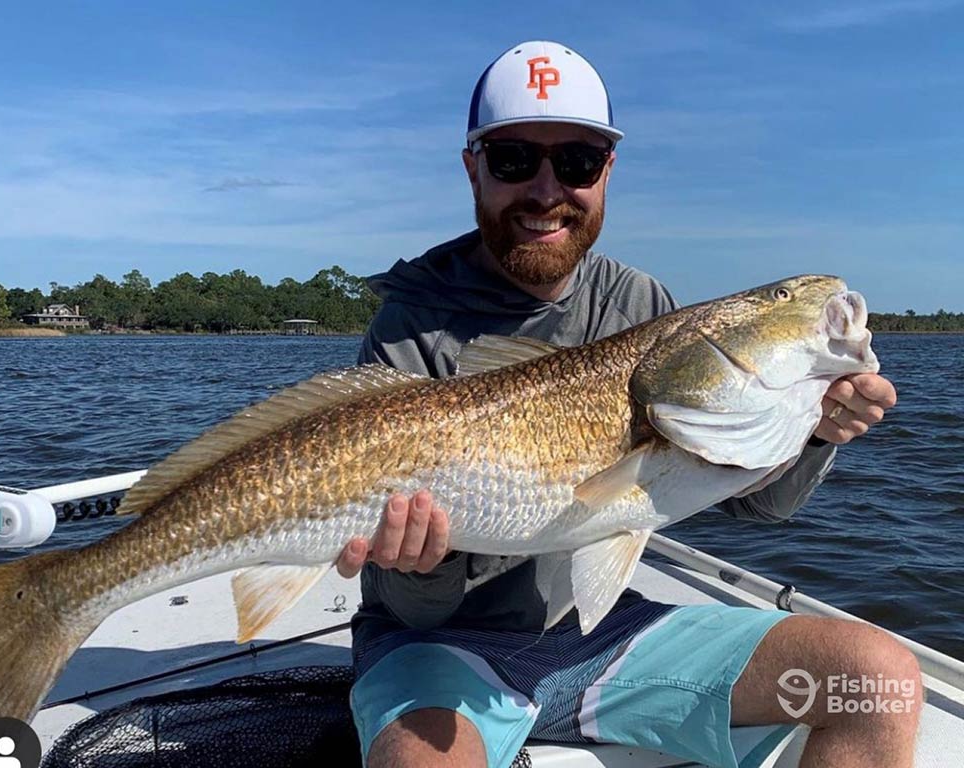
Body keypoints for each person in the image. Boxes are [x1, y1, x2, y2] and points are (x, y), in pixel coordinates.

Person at [337, 41, 917, 768]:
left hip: (603, 634)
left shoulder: (639, 304)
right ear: (473, 168)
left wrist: (814, 432)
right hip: (441, 650)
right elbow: (415, 608)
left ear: (606, 171)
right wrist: (419, 564)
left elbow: (747, 502)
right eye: (515, 159)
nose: (547, 190)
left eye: (576, 162)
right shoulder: (410, 327)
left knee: (880, 683)